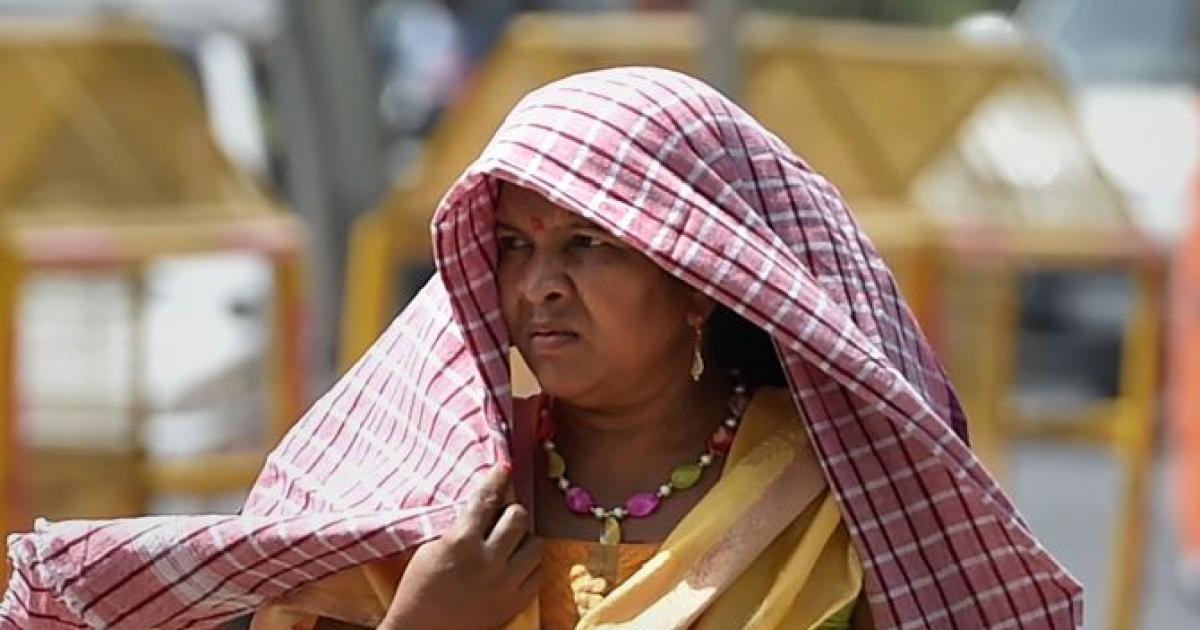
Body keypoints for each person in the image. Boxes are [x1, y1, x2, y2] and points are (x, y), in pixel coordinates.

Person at [0, 67, 1081, 629]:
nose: (537, 285)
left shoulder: (836, 494)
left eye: (587, 245)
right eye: (513, 247)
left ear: (696, 279)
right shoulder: (431, 500)